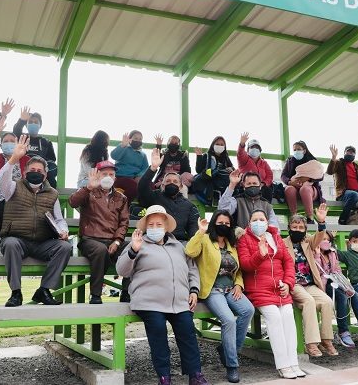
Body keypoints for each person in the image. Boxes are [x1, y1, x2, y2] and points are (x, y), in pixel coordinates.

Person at [116, 205, 208, 385]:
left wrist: (194, 290)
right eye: (151, 224)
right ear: (145, 227)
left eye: (159, 224)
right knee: (158, 334)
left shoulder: (179, 246)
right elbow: (122, 270)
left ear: (166, 227)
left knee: (188, 335)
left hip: (179, 302)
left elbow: (192, 270)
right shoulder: (138, 244)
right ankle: (164, 378)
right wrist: (133, 250)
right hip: (149, 302)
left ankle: (195, 375)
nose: (155, 228)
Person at [0, 136, 73, 307]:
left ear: (45, 175)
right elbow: (1, 179)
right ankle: (16, 293)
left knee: (65, 247)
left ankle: (44, 290)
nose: (36, 173)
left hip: (42, 243)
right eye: (32, 170)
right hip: (17, 240)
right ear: (25, 172)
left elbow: (59, 219)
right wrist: (14, 159)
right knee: (10, 244)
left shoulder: (52, 193)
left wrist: (63, 231)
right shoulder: (13, 187)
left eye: (40, 171)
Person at [185, 211, 254, 383]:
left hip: (231, 288)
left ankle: (227, 350)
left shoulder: (231, 245)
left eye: (227, 223)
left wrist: (239, 284)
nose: (223, 225)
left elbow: (237, 271)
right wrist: (200, 232)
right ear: (214, 223)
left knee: (248, 310)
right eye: (220, 222)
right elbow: (190, 251)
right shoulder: (206, 240)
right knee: (229, 320)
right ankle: (232, 365)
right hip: (212, 289)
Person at [237, 210, 305, 379]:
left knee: (288, 317)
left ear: (267, 222)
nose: (258, 222)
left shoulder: (275, 237)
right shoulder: (244, 239)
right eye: (255, 220)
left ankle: (293, 362)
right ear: (249, 222)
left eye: (262, 219)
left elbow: (288, 261)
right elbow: (245, 265)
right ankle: (283, 365)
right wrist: (259, 255)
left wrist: (289, 284)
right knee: (274, 318)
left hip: (281, 289)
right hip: (259, 290)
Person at [68, 161, 130, 304]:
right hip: (90, 240)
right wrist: (89, 187)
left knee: (133, 249)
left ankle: (127, 293)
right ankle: (96, 295)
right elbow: (72, 202)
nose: (108, 177)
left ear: (115, 177)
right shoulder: (88, 192)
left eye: (111, 174)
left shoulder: (122, 198)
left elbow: (124, 222)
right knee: (100, 250)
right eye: (104, 174)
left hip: (112, 241)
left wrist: (117, 241)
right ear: (97, 175)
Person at [284, 206, 339, 357]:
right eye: (294, 227)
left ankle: (326, 340)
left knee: (327, 302)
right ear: (289, 228)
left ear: (305, 229)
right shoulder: (282, 243)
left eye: (301, 227)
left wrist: (321, 222)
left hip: (309, 284)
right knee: (308, 301)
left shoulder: (307, 241)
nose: (297, 229)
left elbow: (318, 237)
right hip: (293, 284)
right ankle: (311, 343)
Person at [314, 231, 358, 348]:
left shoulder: (332, 253)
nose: (325, 242)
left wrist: (343, 283)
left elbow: (337, 269)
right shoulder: (315, 253)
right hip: (322, 283)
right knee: (342, 297)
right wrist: (317, 254)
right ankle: (343, 331)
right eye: (322, 239)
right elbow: (317, 271)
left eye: (328, 240)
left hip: (335, 280)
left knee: (353, 294)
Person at [0, 127, 30, 256]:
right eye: (6, 141)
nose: (9, 143)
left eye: (12, 141)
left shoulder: (25, 160)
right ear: (1, 144)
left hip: (17, 197)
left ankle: (12, 249)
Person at [138, 148, 199, 243]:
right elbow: (142, 187)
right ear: (162, 185)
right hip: (155, 241)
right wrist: (153, 168)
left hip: (179, 243)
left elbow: (193, 229)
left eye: (175, 181)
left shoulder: (189, 206)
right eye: (168, 181)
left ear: (180, 186)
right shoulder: (154, 196)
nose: (172, 183)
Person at [12, 106, 58, 187]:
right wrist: (22, 120)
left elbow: (52, 160)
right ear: (26, 125)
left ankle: (49, 196)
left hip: (39, 171)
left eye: (36, 122)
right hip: (23, 170)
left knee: (52, 179)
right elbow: (16, 130)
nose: (33, 124)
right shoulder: (22, 138)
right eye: (30, 122)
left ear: (40, 125)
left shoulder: (46, 142)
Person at [281, 141, 324, 223]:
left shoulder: (312, 161)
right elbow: (283, 176)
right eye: (294, 150)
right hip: (294, 188)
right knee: (289, 189)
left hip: (310, 190)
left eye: (298, 149)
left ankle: (310, 217)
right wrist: (290, 182)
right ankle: (294, 216)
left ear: (304, 150)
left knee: (304, 189)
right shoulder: (290, 161)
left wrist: (308, 178)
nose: (296, 151)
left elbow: (321, 176)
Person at [193, 136, 235, 205]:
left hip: (222, 185)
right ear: (213, 145)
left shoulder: (226, 158)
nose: (219, 146)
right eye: (217, 144)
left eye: (222, 145)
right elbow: (198, 170)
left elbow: (233, 169)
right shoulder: (207, 156)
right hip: (210, 182)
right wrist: (199, 156)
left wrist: (231, 169)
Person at [110, 130, 149, 202]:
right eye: (136, 138)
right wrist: (122, 145)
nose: (138, 140)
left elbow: (145, 168)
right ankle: (121, 207)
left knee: (150, 186)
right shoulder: (124, 148)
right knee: (133, 186)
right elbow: (114, 156)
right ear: (130, 139)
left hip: (134, 178)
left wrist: (139, 176)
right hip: (121, 176)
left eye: (140, 139)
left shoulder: (143, 155)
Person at [236, 133, 273, 201]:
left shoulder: (264, 163)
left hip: (261, 188)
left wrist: (263, 184)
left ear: (260, 150)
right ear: (248, 150)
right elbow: (240, 153)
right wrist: (242, 144)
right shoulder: (244, 159)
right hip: (246, 187)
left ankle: (266, 210)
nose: (255, 149)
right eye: (252, 147)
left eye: (257, 148)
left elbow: (270, 176)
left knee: (267, 191)